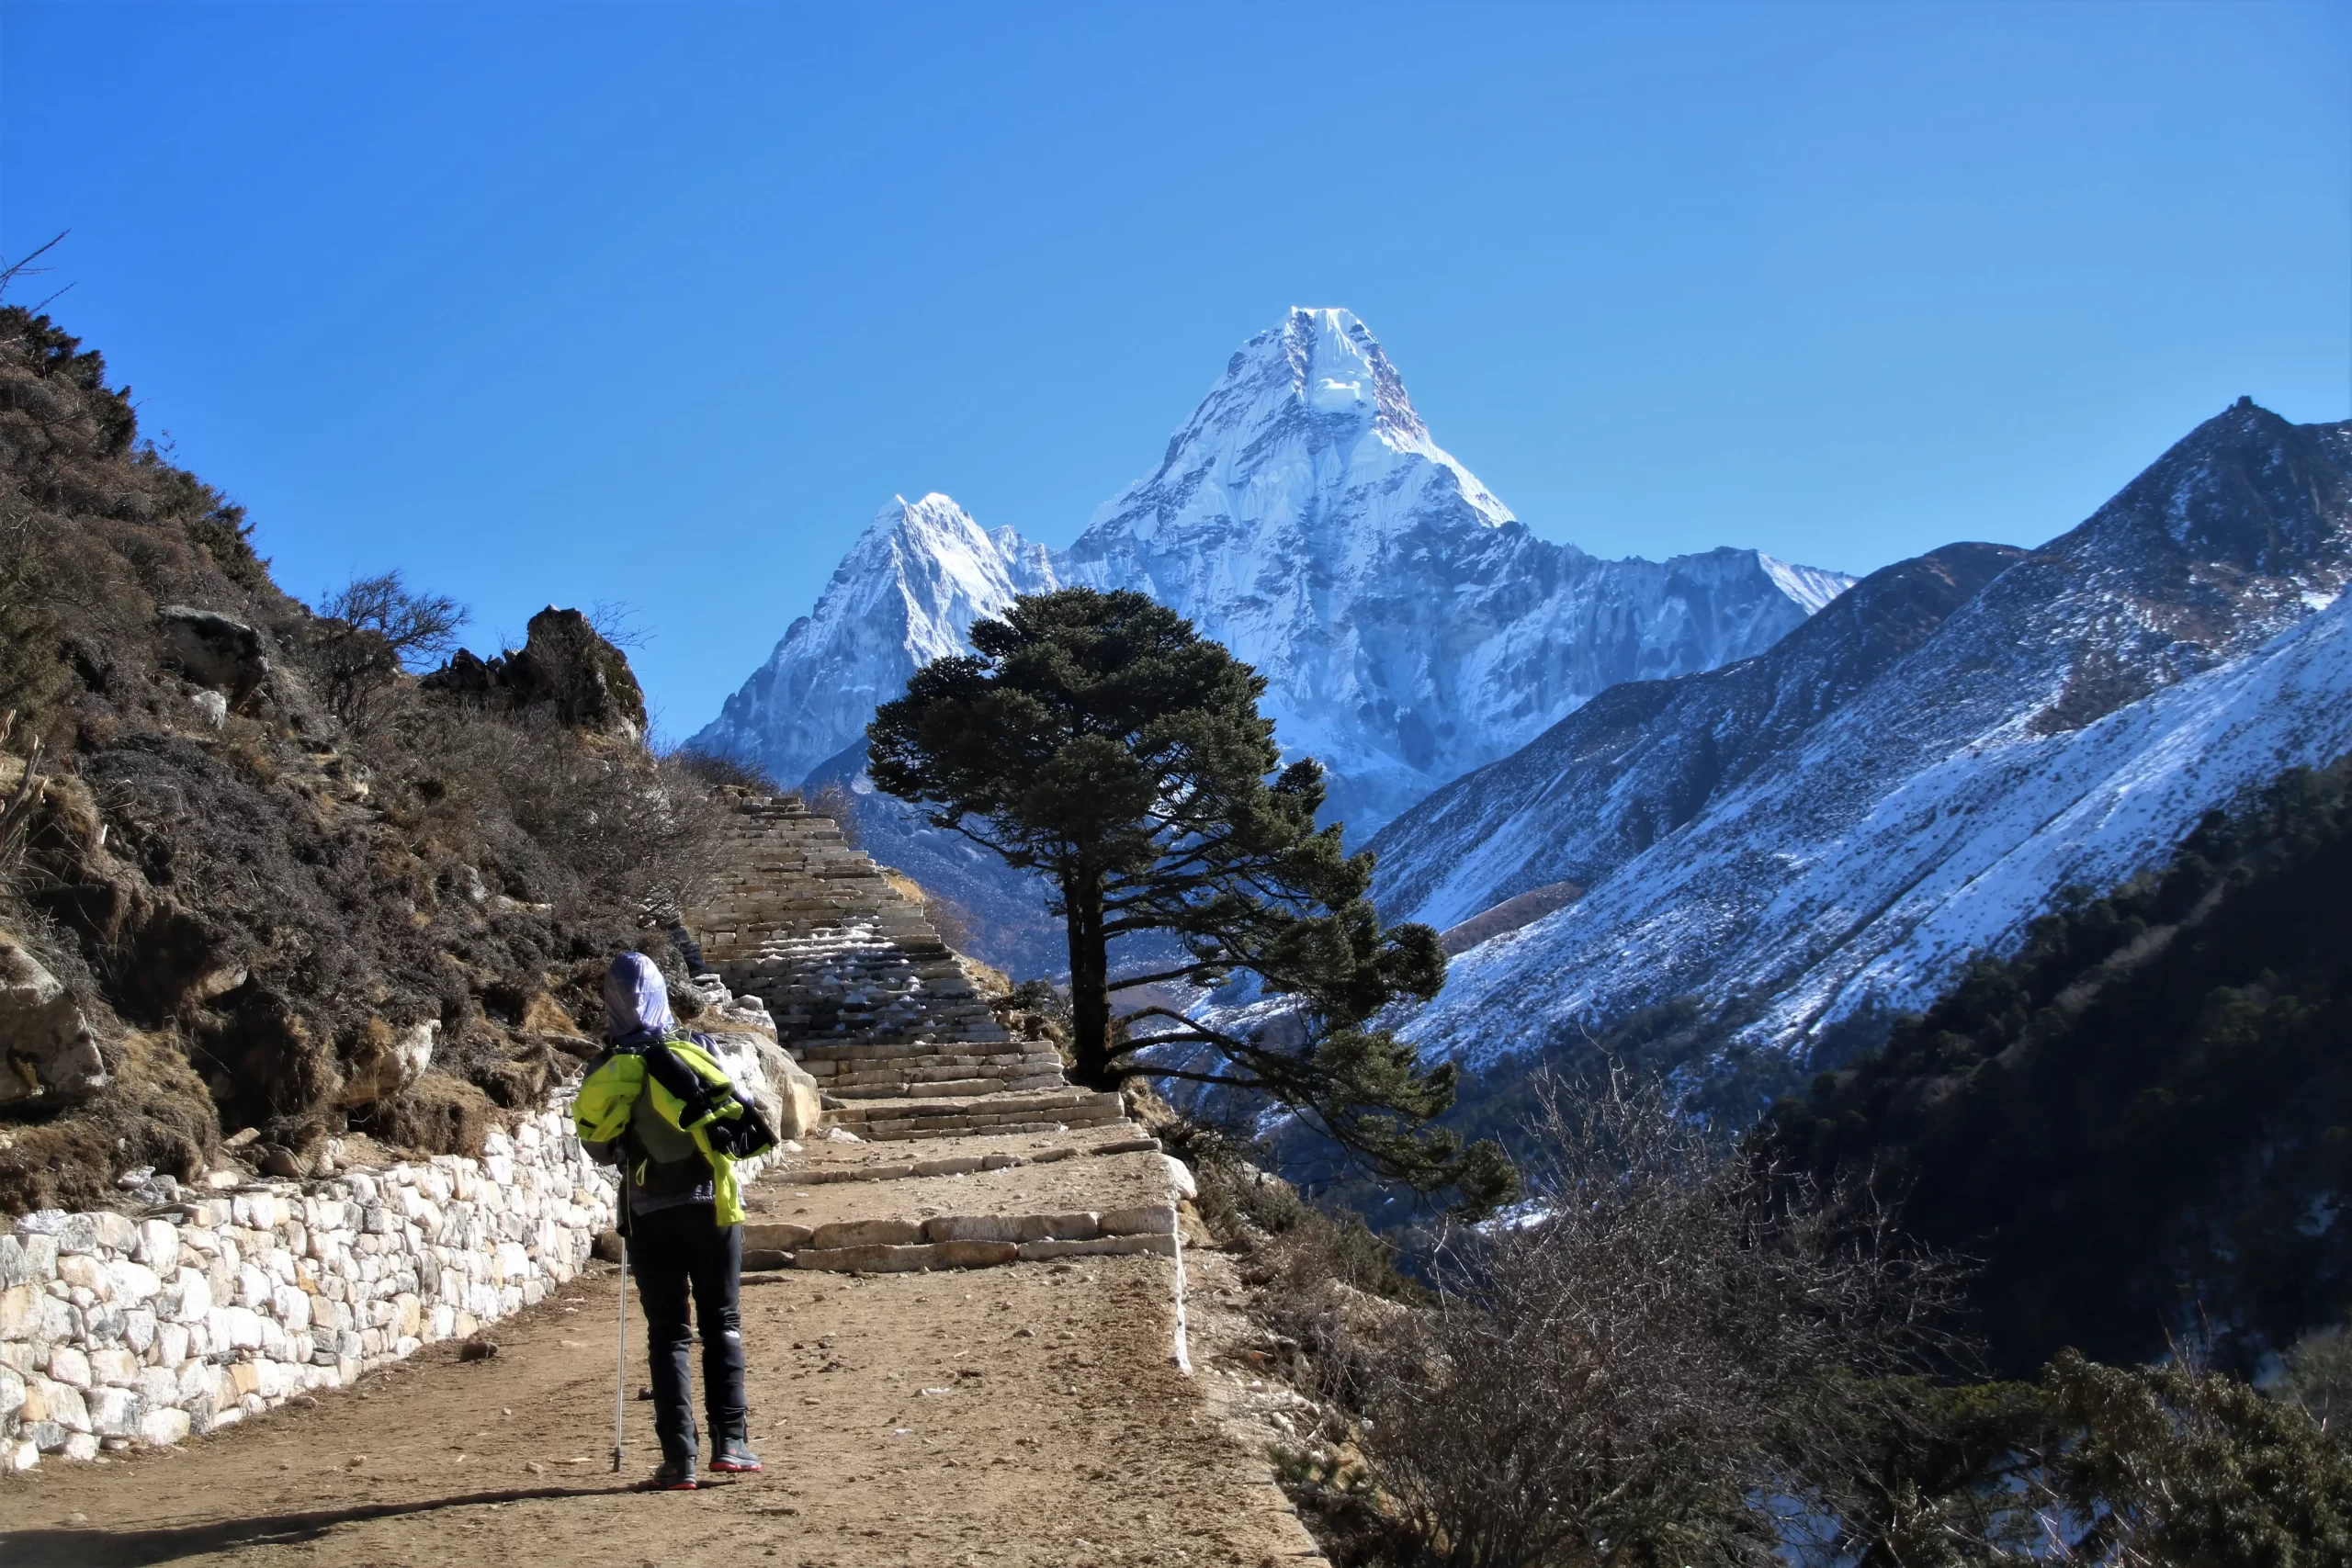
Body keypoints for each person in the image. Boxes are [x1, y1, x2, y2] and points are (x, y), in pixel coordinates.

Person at [572, 951, 775, 1490]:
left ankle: (678, 1458)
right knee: (722, 1323)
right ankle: (730, 1444)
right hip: (713, 1206)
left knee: (667, 1334)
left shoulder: (606, 1067)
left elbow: (599, 1147)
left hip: (647, 1214)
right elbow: (740, 1110)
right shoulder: (699, 1048)